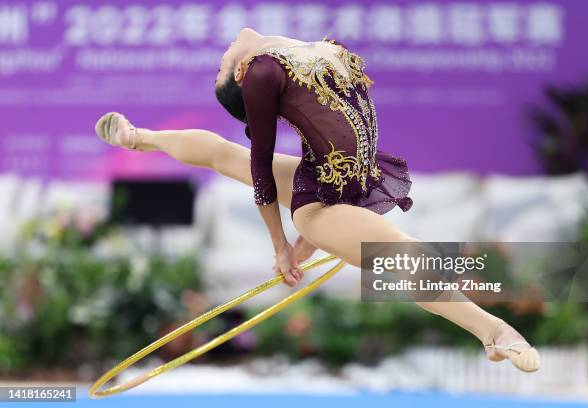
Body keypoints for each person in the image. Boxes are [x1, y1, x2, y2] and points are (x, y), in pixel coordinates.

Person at [95, 28, 540, 372]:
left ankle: (140, 138)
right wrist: (283, 245)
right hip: (319, 201)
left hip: (344, 183)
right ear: (237, 75)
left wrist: (306, 245)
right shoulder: (260, 72)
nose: (222, 53)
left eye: (214, 68)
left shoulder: (304, 47)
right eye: (219, 68)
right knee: (403, 256)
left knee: (222, 155)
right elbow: (261, 171)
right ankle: (495, 332)